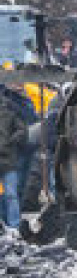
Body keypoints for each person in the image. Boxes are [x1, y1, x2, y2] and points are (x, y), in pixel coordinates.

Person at [0, 82, 30, 237]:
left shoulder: (10, 109)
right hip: (8, 158)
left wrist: (12, 140)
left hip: (8, 159)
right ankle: (4, 225)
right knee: (6, 194)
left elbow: (22, 130)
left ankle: (14, 226)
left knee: (10, 194)